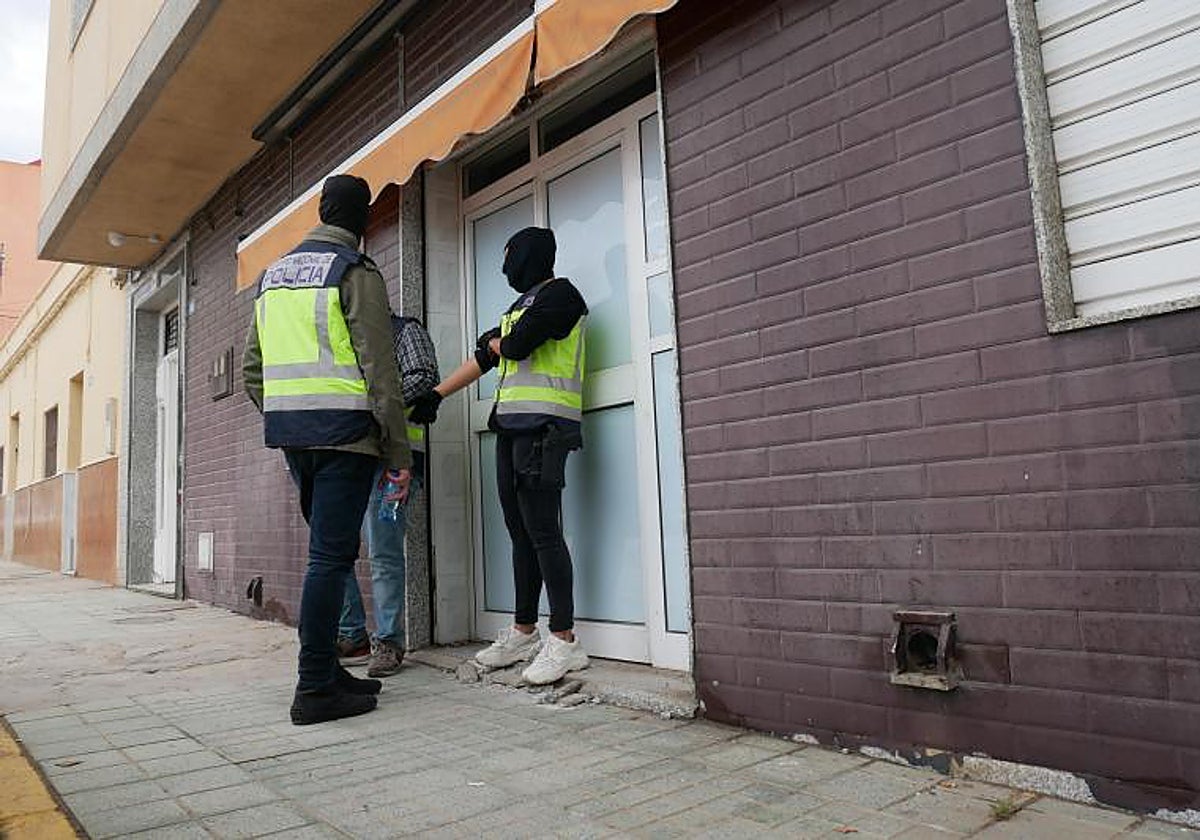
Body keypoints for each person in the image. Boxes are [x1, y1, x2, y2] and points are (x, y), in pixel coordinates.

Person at [243, 174, 411, 725]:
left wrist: (290, 413)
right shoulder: (354, 271)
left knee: (328, 554)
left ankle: (330, 672)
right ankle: (314, 687)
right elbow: (379, 368)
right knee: (329, 559)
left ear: (320, 210)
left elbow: (252, 369)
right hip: (346, 436)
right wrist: (398, 452)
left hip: (296, 438)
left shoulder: (273, 276)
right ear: (361, 222)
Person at [408, 226, 588, 686]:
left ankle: (565, 641)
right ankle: (524, 632)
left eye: (509, 257)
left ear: (528, 256)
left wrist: (498, 343)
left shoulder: (561, 296)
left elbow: (514, 346)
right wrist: (436, 394)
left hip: (545, 429)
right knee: (520, 534)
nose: (505, 267)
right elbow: (487, 356)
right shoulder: (519, 306)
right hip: (512, 430)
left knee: (545, 533)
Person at [336, 312, 439, 677]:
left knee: (383, 551)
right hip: (350, 458)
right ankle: (352, 635)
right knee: (335, 550)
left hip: (395, 461)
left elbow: (424, 377)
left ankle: (389, 642)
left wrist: (373, 404)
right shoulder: (341, 338)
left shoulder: (402, 330)